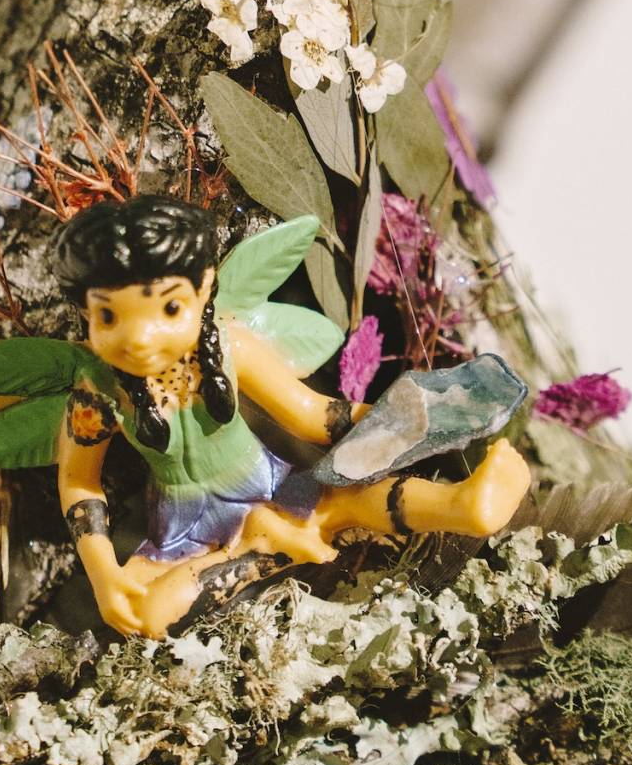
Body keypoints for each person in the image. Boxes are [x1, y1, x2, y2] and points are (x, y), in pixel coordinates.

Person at [53, 194, 531, 638]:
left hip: (271, 486)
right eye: (109, 317)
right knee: (146, 616)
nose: (140, 338)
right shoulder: (98, 393)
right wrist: (103, 573)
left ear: (203, 289)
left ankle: (460, 505)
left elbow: (310, 414)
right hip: (183, 531)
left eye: (170, 307)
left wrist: (394, 420)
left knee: (348, 493)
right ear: (85, 313)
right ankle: (266, 547)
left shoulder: (230, 348)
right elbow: (79, 482)